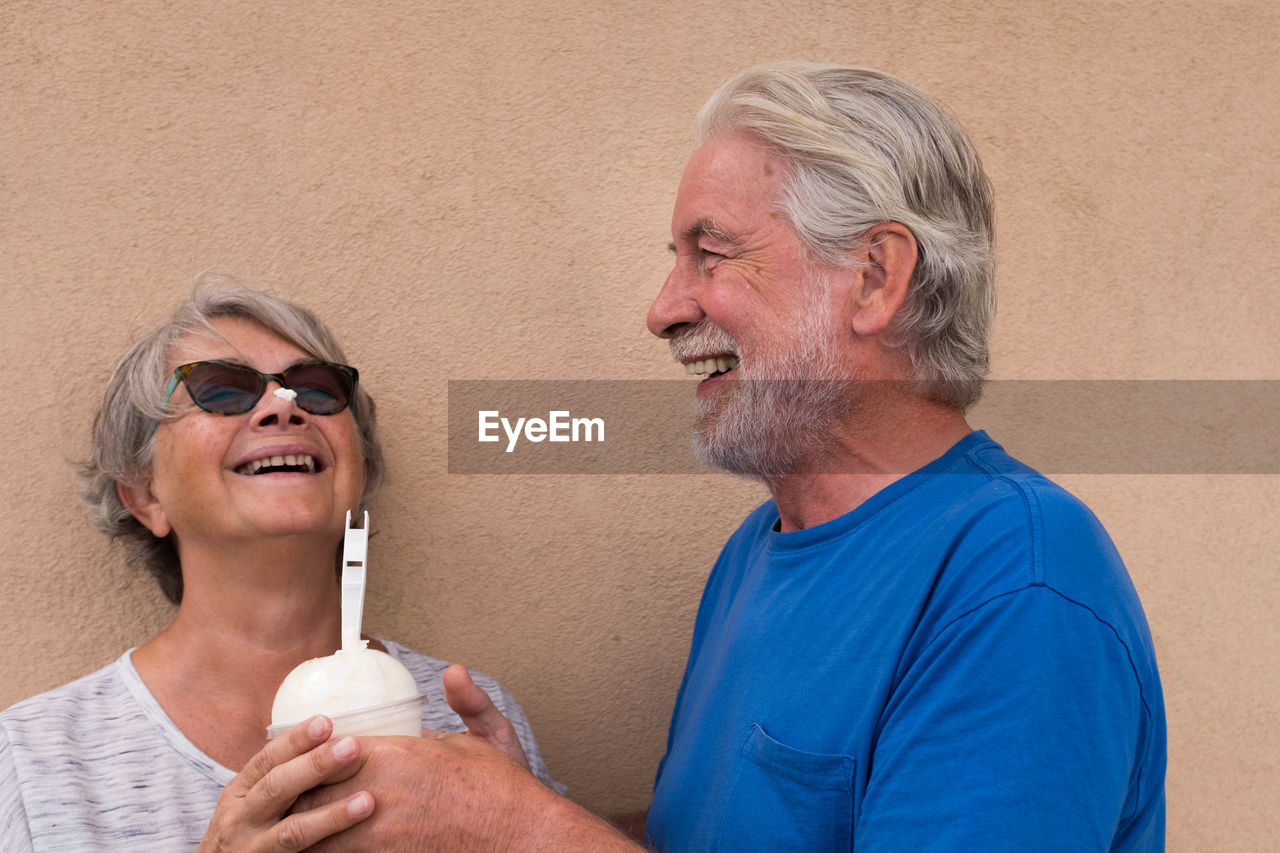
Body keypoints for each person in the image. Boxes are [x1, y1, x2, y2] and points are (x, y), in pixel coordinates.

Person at [273, 62, 1168, 851]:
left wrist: (523, 831)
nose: (663, 309)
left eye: (712, 254)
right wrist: (521, 807)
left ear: (876, 278)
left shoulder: (1017, 580)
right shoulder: (755, 551)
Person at [0, 277, 557, 851]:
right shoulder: (35, 759)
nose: (281, 407)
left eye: (316, 390)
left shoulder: (469, 719)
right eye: (220, 390)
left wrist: (518, 826)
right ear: (144, 495)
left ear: (358, 469)